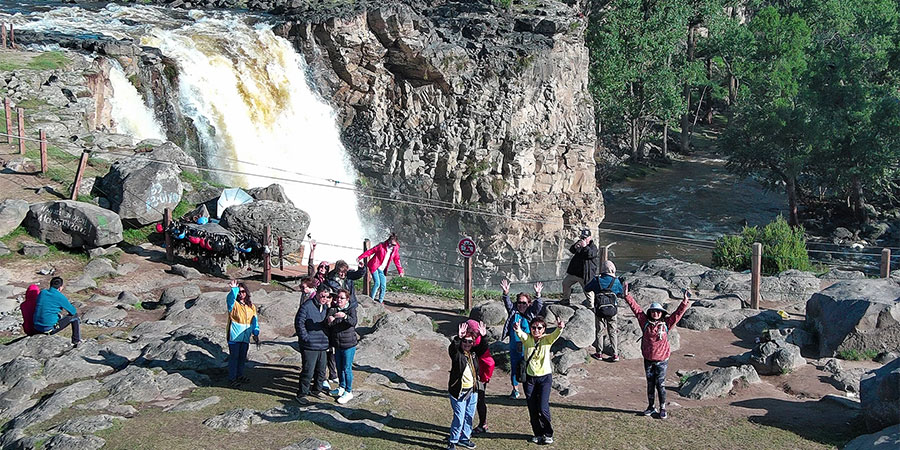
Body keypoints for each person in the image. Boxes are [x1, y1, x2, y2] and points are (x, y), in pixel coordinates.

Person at [623, 283, 691, 419]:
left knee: (660, 384)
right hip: (648, 359)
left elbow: (678, 315)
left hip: (662, 360)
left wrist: (684, 302)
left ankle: (663, 408)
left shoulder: (666, 323)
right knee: (650, 384)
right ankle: (651, 406)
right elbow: (636, 309)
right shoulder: (644, 322)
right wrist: (626, 295)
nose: (656, 313)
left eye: (658, 311)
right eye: (653, 311)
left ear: (662, 313)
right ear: (650, 313)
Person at [514, 315, 564, 445]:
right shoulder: (528, 339)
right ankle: (537, 433)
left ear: (544, 329)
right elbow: (521, 335)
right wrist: (517, 329)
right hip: (529, 379)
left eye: (539, 328)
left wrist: (559, 328)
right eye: (533, 327)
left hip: (545, 378)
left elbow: (556, 334)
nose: (536, 330)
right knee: (532, 407)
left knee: (543, 407)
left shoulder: (547, 340)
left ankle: (548, 433)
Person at [446, 320, 488, 450]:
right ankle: (453, 441)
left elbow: (483, 348)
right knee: (459, 417)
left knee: (469, 415)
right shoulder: (457, 355)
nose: (467, 344)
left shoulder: (474, 354)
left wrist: (483, 336)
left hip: (473, 391)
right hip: (458, 392)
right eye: (465, 341)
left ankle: (464, 438)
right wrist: (458, 337)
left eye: (470, 342)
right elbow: (452, 349)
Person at [500, 280, 545, 399]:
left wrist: (538, 295)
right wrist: (505, 293)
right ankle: (515, 390)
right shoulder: (513, 311)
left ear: (529, 304)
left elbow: (538, 306)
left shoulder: (531, 313)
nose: (521, 305)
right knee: (514, 367)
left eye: (524, 303)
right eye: (519, 302)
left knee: (528, 368)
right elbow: (507, 303)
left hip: (527, 347)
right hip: (514, 346)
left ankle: (530, 391)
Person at [295, 284, 333, 405]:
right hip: (309, 345)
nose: (324, 298)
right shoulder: (306, 306)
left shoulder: (327, 308)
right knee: (308, 371)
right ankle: (302, 393)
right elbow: (299, 323)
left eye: (327, 297)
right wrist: (305, 338)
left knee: (321, 370)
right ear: (317, 293)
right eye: (323, 296)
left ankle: (316, 390)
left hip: (323, 344)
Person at [584, 260, 624, 362]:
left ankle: (599, 353)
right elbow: (621, 293)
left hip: (599, 309)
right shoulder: (616, 281)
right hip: (612, 310)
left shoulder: (596, 280)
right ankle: (615, 354)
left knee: (599, 331)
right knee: (613, 331)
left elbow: (587, 288)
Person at [326, 289, 358, 404]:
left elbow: (353, 322)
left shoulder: (351, 310)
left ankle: (348, 391)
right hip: (337, 344)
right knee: (339, 367)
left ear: (347, 299)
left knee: (346, 368)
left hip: (348, 344)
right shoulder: (333, 309)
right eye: (338, 297)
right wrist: (331, 320)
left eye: (342, 298)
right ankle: (341, 387)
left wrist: (344, 316)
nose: (339, 300)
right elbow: (330, 323)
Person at [226, 280, 260, 387]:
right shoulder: (233, 305)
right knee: (234, 358)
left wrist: (255, 332)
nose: (241, 294)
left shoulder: (251, 306)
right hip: (234, 337)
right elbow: (230, 298)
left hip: (245, 337)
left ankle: (239, 375)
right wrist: (234, 289)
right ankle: (232, 378)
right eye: (239, 292)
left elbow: (254, 320)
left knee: (242, 358)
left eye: (243, 291)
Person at [357, 232, 404, 303]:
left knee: (383, 286)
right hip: (375, 266)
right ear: (388, 241)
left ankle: (380, 301)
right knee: (377, 283)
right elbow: (370, 251)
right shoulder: (381, 246)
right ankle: (371, 300)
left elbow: (397, 260)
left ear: (396, 244)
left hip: (382, 269)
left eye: (393, 244)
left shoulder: (395, 249)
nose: (391, 245)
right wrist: (360, 257)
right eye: (390, 243)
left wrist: (400, 271)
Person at [33, 277, 81, 346]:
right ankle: (76, 341)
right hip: (48, 328)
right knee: (75, 316)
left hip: (36, 327)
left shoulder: (42, 293)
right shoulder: (60, 296)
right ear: (60, 288)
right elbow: (73, 311)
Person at [467, 319, 495, 435]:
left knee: (478, 400)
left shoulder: (477, 341)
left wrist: (483, 338)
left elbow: (480, 352)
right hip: (476, 375)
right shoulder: (471, 339)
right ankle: (480, 424)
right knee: (478, 400)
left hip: (479, 376)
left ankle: (481, 424)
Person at [561, 229, 598, 307]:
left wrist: (585, 247)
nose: (583, 239)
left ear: (590, 238)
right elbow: (572, 250)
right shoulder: (579, 243)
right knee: (565, 283)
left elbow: (590, 254)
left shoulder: (593, 247)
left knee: (588, 291)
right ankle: (566, 299)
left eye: (585, 238)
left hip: (585, 275)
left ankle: (591, 306)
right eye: (582, 237)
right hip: (575, 272)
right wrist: (575, 247)